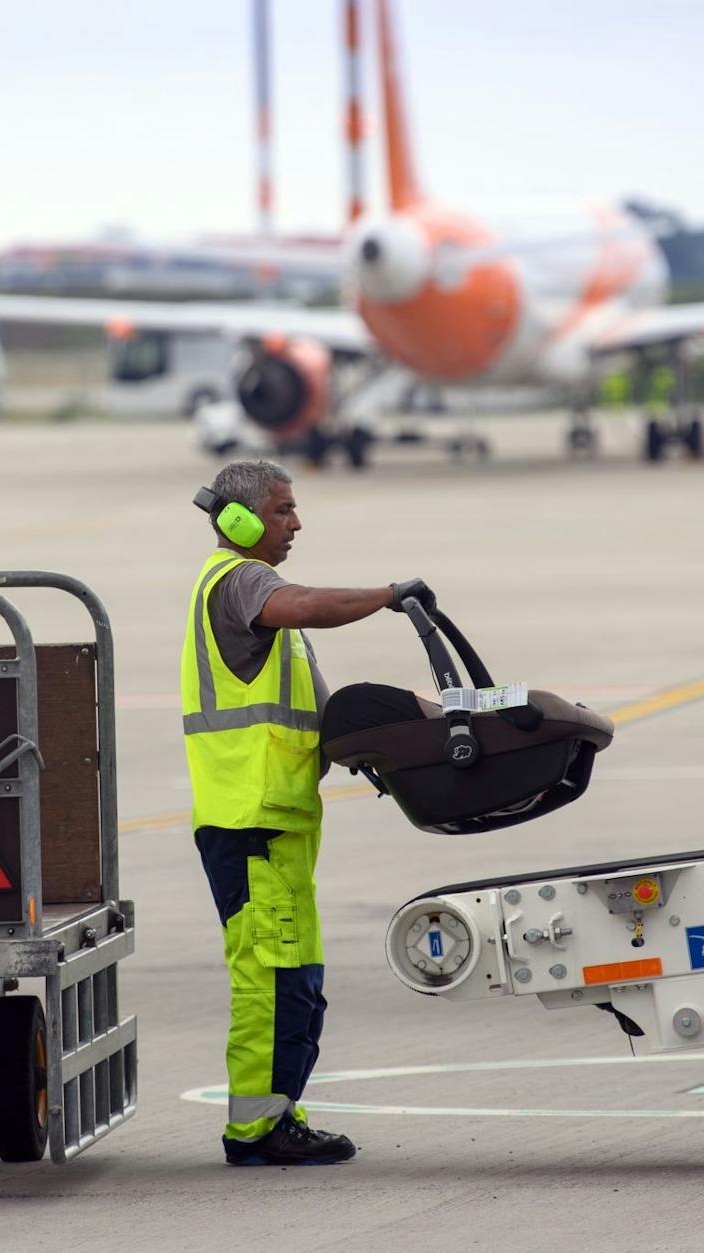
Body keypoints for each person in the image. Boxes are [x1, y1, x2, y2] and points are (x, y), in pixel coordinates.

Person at [181, 458, 432, 1167]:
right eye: (284, 509)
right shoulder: (242, 582)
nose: (296, 522)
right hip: (250, 822)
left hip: (278, 825)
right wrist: (388, 595)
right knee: (270, 981)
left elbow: (317, 718)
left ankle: (278, 1116)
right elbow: (307, 602)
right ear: (240, 519)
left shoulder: (258, 603)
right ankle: (256, 1130)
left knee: (297, 983)